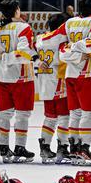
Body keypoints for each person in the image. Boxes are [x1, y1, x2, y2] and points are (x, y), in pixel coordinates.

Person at [40, 0, 91, 165]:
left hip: (70, 74)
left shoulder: (70, 23)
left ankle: (74, 149)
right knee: (88, 113)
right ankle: (84, 149)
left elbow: (52, 38)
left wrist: (39, 43)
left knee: (75, 113)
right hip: (87, 74)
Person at [0, 0, 37, 163]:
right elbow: (23, 52)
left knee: (4, 114)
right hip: (21, 76)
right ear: (17, 9)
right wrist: (35, 58)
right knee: (23, 114)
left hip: (1, 74)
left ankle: (3, 148)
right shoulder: (24, 27)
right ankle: (19, 147)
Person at [34, 12, 69, 163]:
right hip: (57, 79)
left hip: (44, 81)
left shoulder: (39, 38)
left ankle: (45, 147)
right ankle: (63, 147)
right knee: (64, 116)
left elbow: (33, 53)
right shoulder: (60, 38)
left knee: (50, 117)